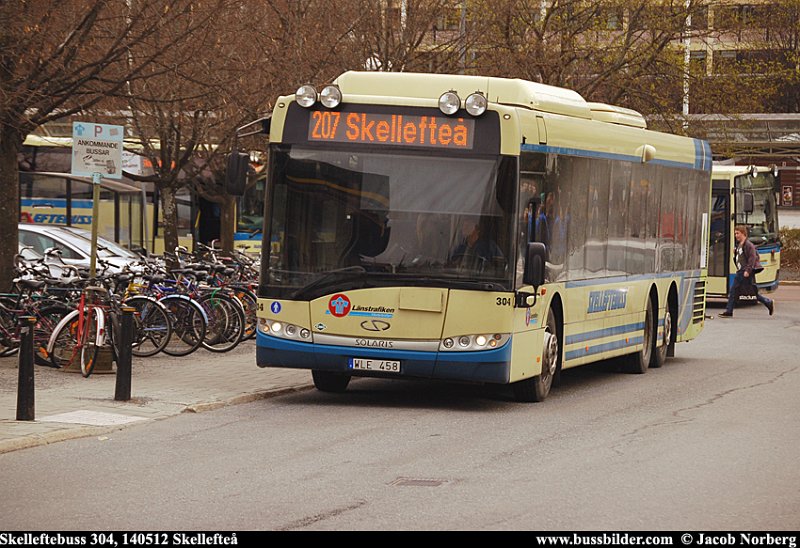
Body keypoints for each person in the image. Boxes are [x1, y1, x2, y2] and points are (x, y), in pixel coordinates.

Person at [719, 224, 774, 318]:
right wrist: (734, 254)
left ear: (743, 233)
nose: (736, 235)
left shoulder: (749, 245)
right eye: (735, 233)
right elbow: (738, 259)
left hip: (745, 272)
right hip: (741, 271)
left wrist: (747, 270)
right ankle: (767, 302)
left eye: (737, 233)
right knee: (749, 292)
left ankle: (729, 311)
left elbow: (752, 258)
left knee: (734, 290)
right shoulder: (739, 245)